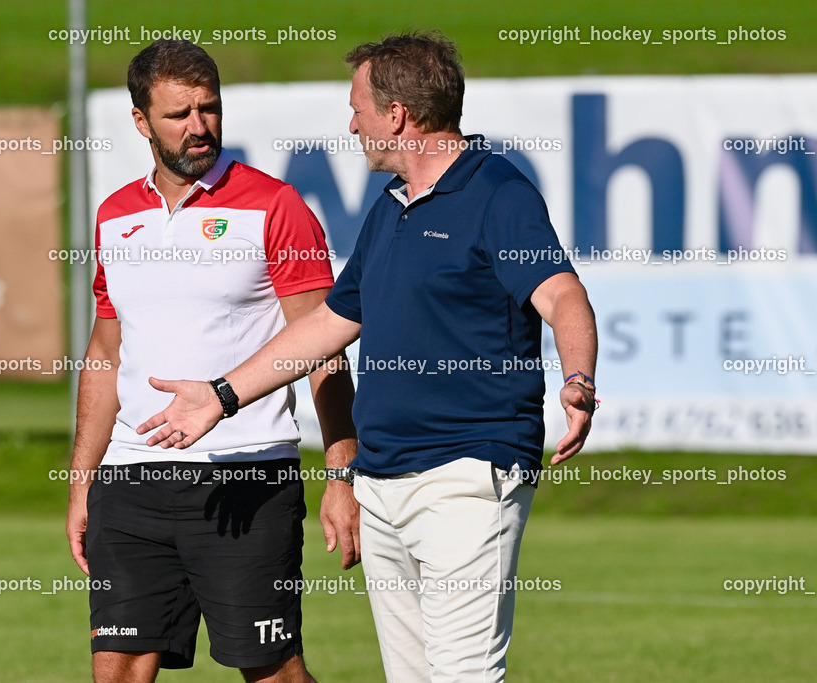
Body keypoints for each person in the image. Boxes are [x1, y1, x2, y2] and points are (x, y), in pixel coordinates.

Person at [135, 33, 599, 682]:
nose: (350, 122)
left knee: (463, 674)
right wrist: (221, 394)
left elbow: (564, 295)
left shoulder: (498, 192)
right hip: (382, 482)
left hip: (466, 473)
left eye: (357, 107)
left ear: (397, 115)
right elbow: (327, 324)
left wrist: (578, 378)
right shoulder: (391, 209)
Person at [65, 39, 359, 683]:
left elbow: (323, 350)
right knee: (116, 671)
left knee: (272, 673)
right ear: (141, 121)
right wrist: (82, 478)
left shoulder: (277, 207)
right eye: (178, 114)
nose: (198, 127)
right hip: (131, 483)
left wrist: (341, 473)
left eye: (209, 109)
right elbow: (106, 352)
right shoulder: (115, 215)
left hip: (245, 480)